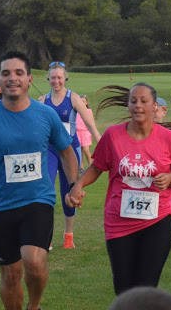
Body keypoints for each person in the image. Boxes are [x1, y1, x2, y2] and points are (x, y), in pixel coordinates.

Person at [0, 51, 78, 310]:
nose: (12, 78)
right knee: (11, 275)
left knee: (34, 262)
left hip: (38, 199)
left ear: (29, 79)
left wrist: (74, 185)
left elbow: (67, 152)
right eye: (6, 74)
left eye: (18, 73)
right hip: (1, 204)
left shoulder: (45, 115)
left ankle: (34, 306)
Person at [66, 83, 171, 295]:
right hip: (119, 221)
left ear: (154, 107)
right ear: (128, 105)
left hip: (158, 219)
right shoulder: (113, 136)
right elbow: (97, 167)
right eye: (133, 101)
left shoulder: (169, 139)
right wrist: (78, 185)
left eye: (144, 101)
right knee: (123, 288)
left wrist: (170, 177)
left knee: (145, 286)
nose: (138, 106)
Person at [39, 61, 102, 249]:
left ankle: (68, 235)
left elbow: (90, 124)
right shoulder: (42, 101)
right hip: (50, 151)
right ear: (48, 79)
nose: (56, 81)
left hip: (70, 151)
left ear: (65, 78)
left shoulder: (73, 98)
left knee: (70, 192)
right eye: (52, 78)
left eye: (59, 77)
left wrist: (101, 141)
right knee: (46, 191)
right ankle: (46, 237)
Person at [74, 95, 94, 168]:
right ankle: (81, 167)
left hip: (85, 132)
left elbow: (91, 122)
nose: (82, 103)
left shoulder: (88, 111)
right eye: (80, 102)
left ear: (86, 103)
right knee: (80, 151)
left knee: (86, 150)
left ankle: (90, 165)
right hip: (77, 132)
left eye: (83, 101)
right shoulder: (75, 111)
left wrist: (92, 133)